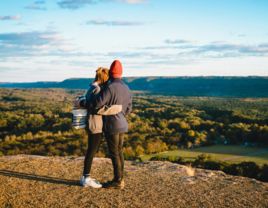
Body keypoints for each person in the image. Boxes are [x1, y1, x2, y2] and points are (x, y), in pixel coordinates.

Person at [75, 60, 132, 189]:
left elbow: (97, 103)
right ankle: (120, 179)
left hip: (112, 124)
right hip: (122, 123)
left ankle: (117, 181)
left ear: (111, 73)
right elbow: (129, 108)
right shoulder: (127, 88)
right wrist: (122, 116)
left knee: (114, 153)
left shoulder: (110, 87)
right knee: (119, 152)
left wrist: (82, 103)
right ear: (121, 73)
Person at [80, 67, 109, 188]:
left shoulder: (91, 86)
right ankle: (86, 178)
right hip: (95, 124)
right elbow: (97, 106)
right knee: (91, 151)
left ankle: (85, 177)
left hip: (91, 122)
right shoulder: (97, 89)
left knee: (91, 150)